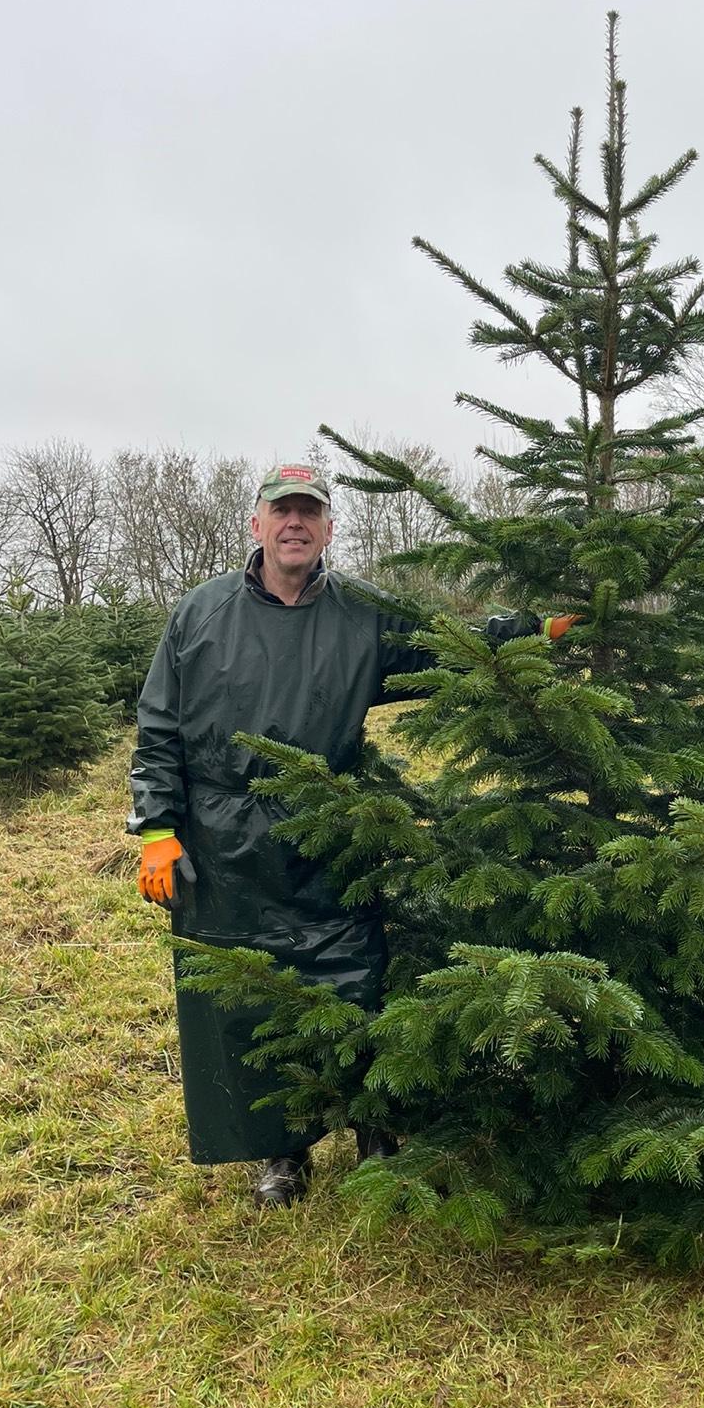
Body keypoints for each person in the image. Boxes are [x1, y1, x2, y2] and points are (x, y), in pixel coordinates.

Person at [130, 464, 572, 1207]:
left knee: (353, 973)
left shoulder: (362, 612)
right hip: (222, 836)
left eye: (309, 512)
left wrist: (533, 632)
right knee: (247, 995)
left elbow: (446, 643)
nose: (294, 523)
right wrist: (158, 828)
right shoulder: (198, 615)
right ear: (256, 525)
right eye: (282, 511)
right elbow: (159, 727)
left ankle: (373, 1127)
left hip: (327, 825)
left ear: (329, 528)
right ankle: (279, 1151)